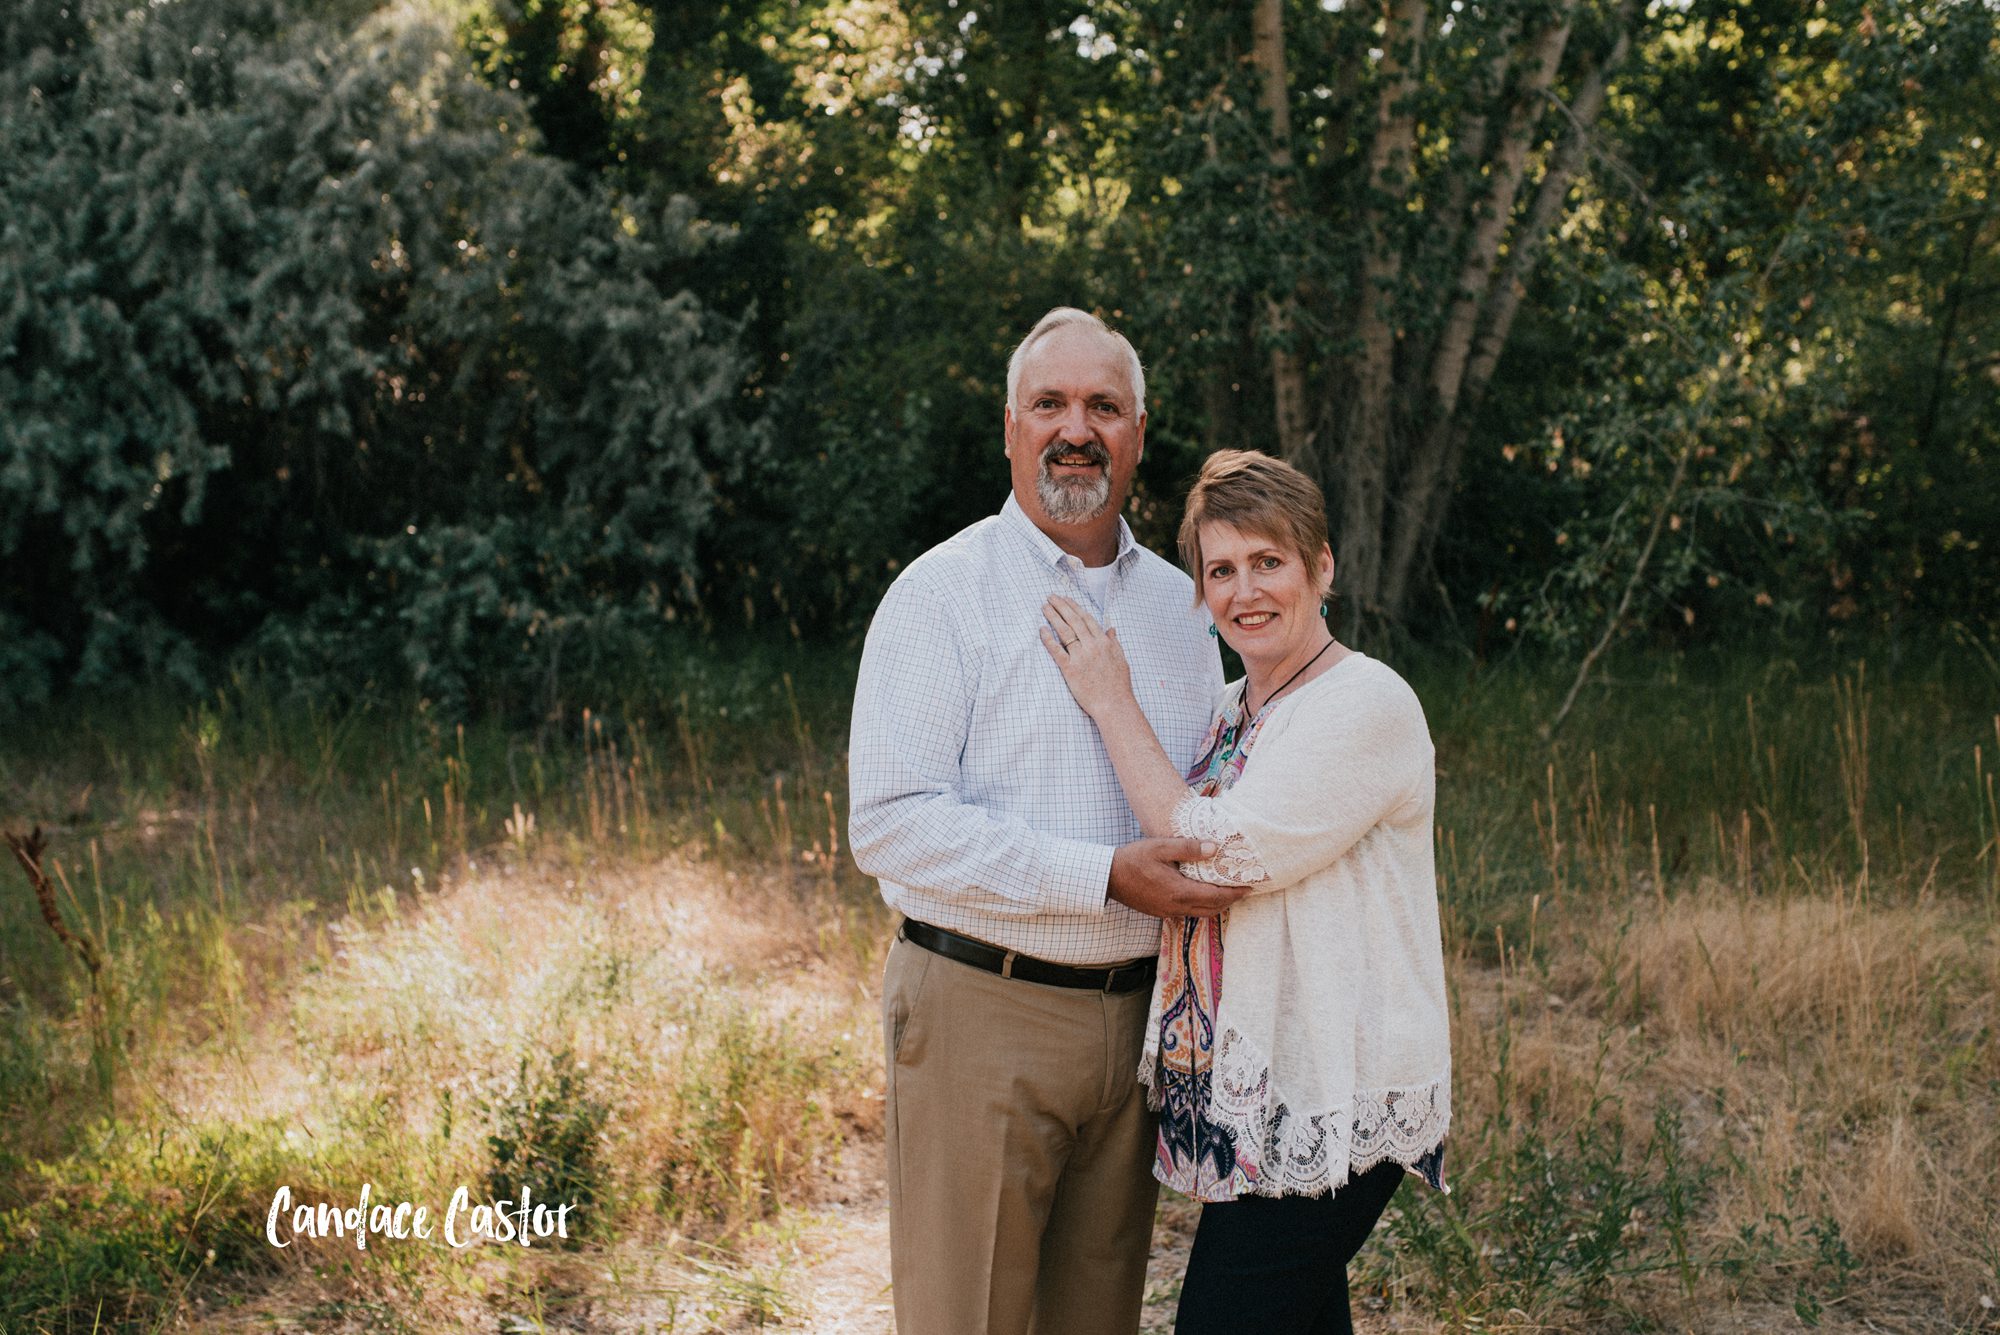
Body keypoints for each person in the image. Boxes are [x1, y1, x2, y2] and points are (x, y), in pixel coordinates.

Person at [848, 308, 1240, 1335]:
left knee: (1094, 1320)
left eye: (1103, 406)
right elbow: (889, 825)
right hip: (985, 1007)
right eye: (1050, 404)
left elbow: (1205, 804)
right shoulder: (942, 593)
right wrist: (1101, 876)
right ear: (1010, 427)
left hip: (1140, 1030)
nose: (1077, 427)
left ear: (1138, 434)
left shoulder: (1182, 609)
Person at [1038, 449, 1451, 1335]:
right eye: (1220, 570)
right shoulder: (1234, 710)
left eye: (1269, 561)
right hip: (1256, 1088)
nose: (1245, 591)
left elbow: (1214, 858)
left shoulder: (1367, 702)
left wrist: (1112, 701)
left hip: (1334, 1085)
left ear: (1323, 565)